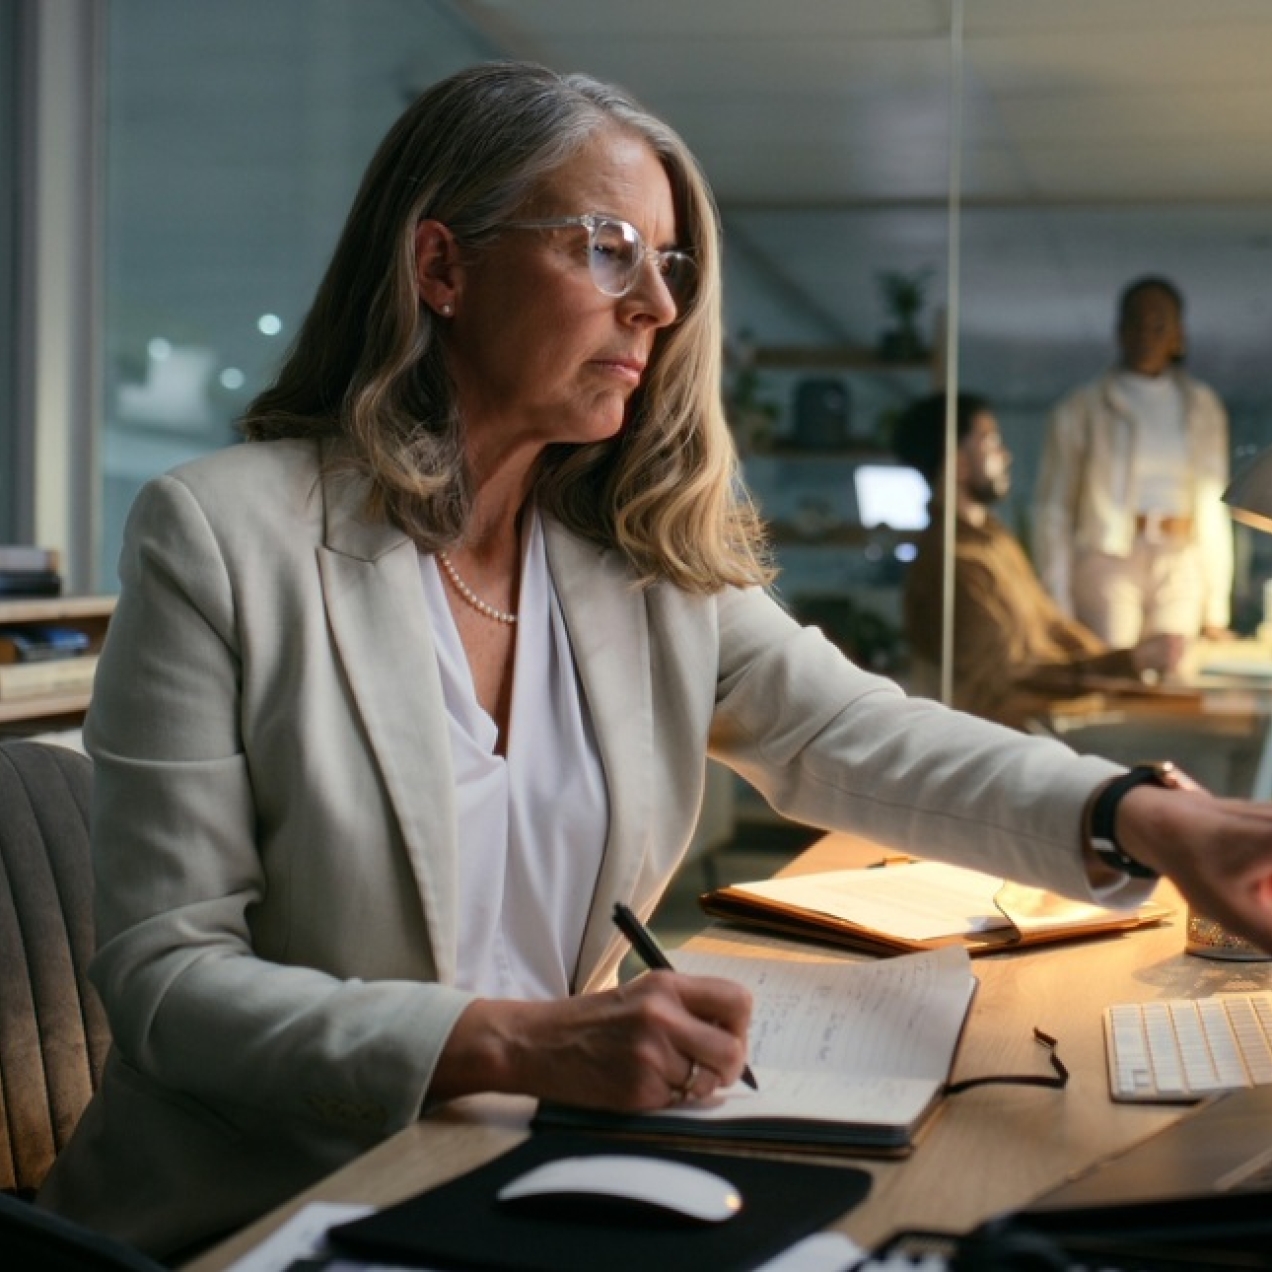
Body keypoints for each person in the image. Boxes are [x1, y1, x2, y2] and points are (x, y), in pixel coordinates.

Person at [36, 62, 1272, 1260]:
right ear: (441, 265)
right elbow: (169, 980)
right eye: (605, 248)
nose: (660, 307)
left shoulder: (628, 567)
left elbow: (857, 734)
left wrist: (1145, 818)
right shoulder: (218, 535)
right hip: (260, 1211)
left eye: (668, 264)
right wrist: (510, 1044)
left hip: (524, 1172)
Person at [894, 392, 1185, 729]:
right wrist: (1125, 662)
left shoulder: (994, 540)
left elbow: (1051, 625)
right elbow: (1003, 680)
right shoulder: (951, 563)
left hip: (1042, 721)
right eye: (990, 442)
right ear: (957, 462)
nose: (1005, 455)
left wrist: (1126, 661)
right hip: (1011, 737)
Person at [1033, 276, 1233, 646]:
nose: (1146, 336)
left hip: (1180, 556)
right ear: (1120, 331)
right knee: (1115, 668)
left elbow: (1212, 502)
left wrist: (1216, 605)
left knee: (1175, 674)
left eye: (1159, 326)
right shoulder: (1081, 409)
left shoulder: (1202, 408)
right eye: (1135, 324)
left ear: (1178, 336)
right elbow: (1053, 508)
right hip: (1108, 555)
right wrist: (1055, 599)